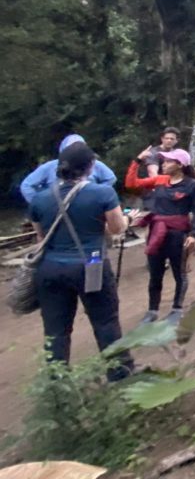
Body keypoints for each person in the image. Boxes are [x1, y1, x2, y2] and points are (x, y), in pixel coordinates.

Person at [28, 141, 133, 380]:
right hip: (90, 265)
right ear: (90, 167)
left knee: (56, 331)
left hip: (50, 269)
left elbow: (42, 237)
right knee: (105, 322)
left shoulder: (40, 199)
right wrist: (129, 221)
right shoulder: (102, 193)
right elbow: (116, 228)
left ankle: (58, 387)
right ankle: (120, 376)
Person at [125, 148, 195, 324]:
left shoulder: (191, 185)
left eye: (168, 161)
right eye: (164, 161)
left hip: (178, 234)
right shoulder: (159, 180)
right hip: (156, 232)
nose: (164, 164)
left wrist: (194, 234)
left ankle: (177, 308)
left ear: (180, 165)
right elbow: (132, 184)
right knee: (155, 273)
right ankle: (152, 310)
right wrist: (137, 161)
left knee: (179, 272)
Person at [20, 134, 117, 206]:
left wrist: (98, 194)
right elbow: (26, 185)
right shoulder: (49, 167)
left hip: (87, 203)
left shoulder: (94, 164)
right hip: (57, 205)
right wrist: (39, 203)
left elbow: (110, 178)